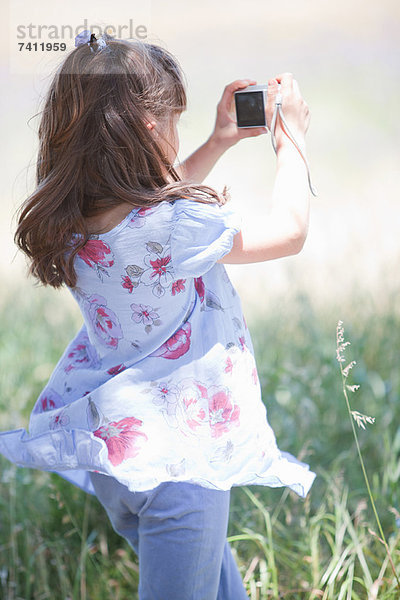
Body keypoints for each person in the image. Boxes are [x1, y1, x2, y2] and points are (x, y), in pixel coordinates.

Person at [0, 32, 316, 600]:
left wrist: (218, 142)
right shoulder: (172, 228)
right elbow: (290, 231)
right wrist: (289, 137)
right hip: (181, 468)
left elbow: (146, 199)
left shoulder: (71, 219)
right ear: (150, 130)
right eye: (173, 120)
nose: (176, 131)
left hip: (120, 456)